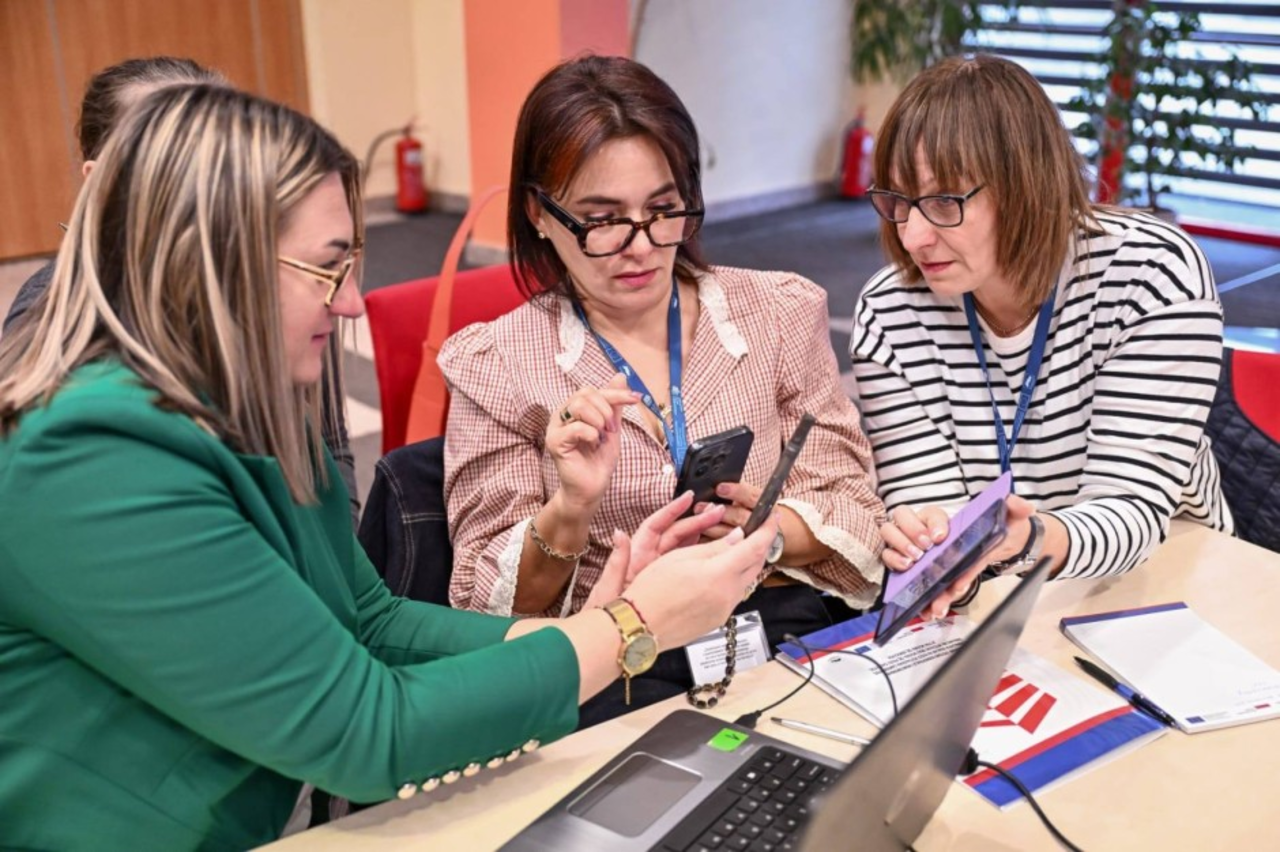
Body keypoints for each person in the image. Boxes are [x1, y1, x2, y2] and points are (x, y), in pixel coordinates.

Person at [0, 83, 777, 851]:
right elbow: (366, 731)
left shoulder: (250, 401)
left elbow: (367, 619)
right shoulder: (88, 456)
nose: (349, 305)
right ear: (207, 265)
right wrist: (630, 629)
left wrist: (584, 632)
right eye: (326, 269)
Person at [440, 55, 885, 719]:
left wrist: (766, 535)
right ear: (539, 214)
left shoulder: (778, 312)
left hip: (773, 641)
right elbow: (484, 606)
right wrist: (570, 509)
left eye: (664, 209)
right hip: (618, 672)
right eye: (602, 220)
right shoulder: (497, 364)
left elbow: (855, 504)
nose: (642, 246)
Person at [849, 54, 1233, 615]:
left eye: (943, 202)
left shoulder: (1150, 274)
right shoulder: (890, 311)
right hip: (1000, 592)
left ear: (1024, 185)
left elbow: (1131, 508)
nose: (913, 237)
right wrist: (934, 546)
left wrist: (1025, 539)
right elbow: (927, 503)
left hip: (1167, 575)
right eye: (898, 202)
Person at [0, 55, 361, 522]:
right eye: (170, 160)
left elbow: (327, 449)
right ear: (103, 185)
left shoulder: (289, 292)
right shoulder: (81, 399)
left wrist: (343, 541)